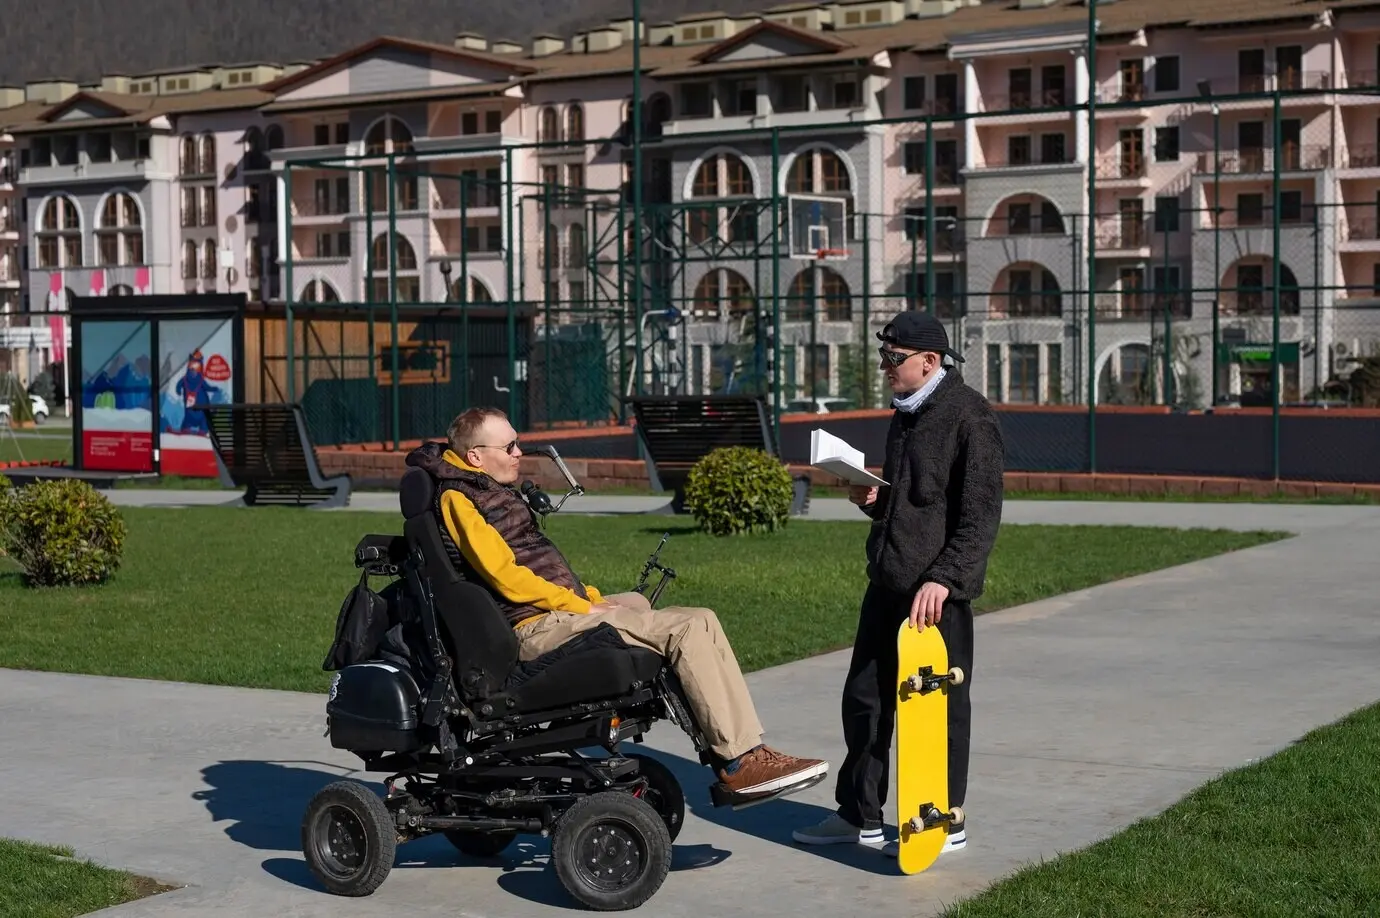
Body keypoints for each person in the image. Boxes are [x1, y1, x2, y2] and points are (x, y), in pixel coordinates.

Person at [404, 406, 829, 801]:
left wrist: (589, 599)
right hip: (531, 627)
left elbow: (536, 568)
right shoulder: (458, 498)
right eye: (510, 446)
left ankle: (749, 750)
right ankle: (738, 762)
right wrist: (584, 608)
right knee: (686, 627)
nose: (520, 453)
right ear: (476, 457)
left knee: (675, 610)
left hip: (550, 611)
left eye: (518, 443)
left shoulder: (484, 489)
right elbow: (507, 579)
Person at [792, 310, 1005, 858]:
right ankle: (859, 815)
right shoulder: (908, 413)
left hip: (935, 598)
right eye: (883, 357)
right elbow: (917, 505)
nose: (885, 367)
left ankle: (944, 821)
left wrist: (945, 580)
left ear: (930, 361)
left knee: (936, 711)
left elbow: (978, 517)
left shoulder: (971, 418)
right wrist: (876, 500)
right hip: (887, 585)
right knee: (865, 702)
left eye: (894, 359)